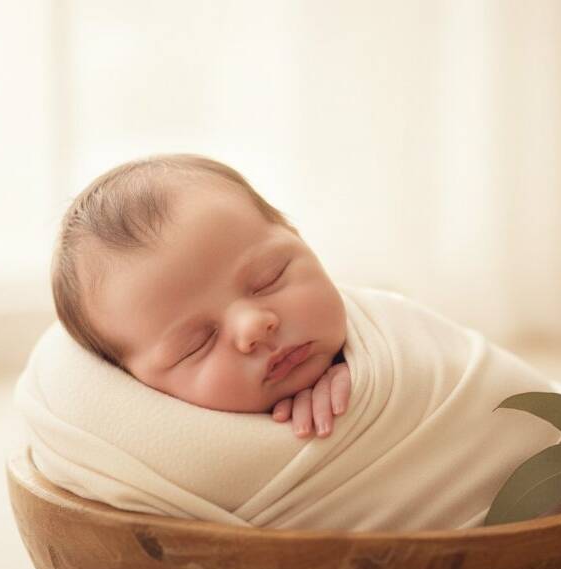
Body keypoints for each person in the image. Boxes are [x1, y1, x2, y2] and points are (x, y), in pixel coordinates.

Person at [51, 154, 351, 439]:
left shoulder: (384, 339)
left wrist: (365, 374)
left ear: (298, 238)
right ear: (139, 386)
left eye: (269, 279)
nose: (253, 326)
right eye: (197, 344)